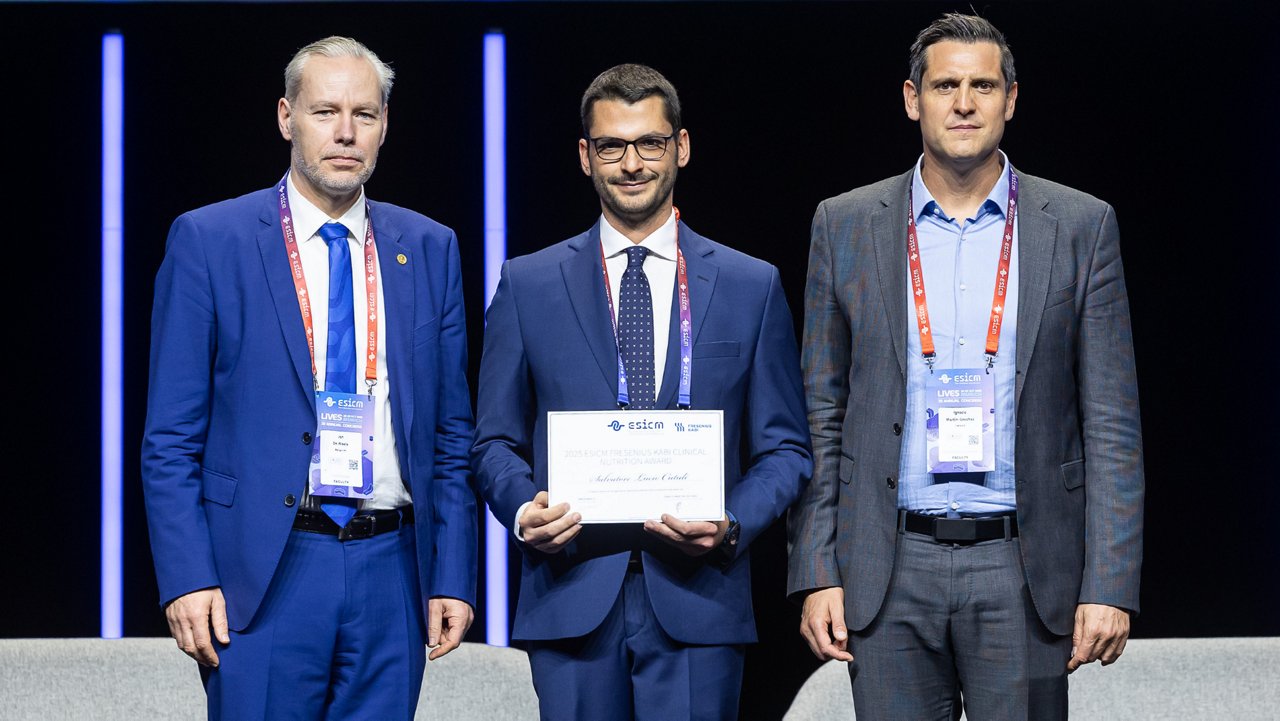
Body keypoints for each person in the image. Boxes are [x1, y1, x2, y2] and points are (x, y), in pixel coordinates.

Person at [787, 13, 1144, 720]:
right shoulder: (845, 222)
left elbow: (1111, 419)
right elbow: (820, 412)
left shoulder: (1079, 223)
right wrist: (817, 568)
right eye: (945, 84)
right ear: (911, 98)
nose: (964, 101)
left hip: (1021, 566)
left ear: (1011, 99)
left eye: (983, 84)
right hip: (887, 565)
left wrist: (1110, 580)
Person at [141, 36, 476, 720]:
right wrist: (186, 575)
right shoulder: (211, 241)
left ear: (385, 125)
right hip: (264, 569)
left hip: (393, 566)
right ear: (286, 117)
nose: (346, 132)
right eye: (325, 111)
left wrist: (454, 575)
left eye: (366, 113)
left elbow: (451, 434)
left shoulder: (431, 247)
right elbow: (170, 438)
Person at [471, 63, 812, 720]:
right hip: (569, 591)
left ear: (680, 147)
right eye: (611, 146)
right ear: (585, 155)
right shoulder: (528, 284)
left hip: (700, 599)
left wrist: (731, 520)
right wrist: (521, 511)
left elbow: (786, 448)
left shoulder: (751, 285)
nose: (632, 163)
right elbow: (492, 440)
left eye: (649, 143)